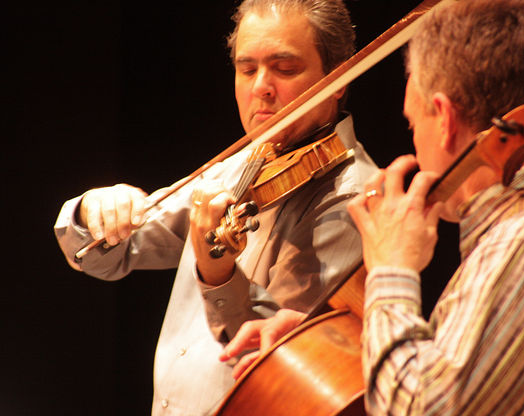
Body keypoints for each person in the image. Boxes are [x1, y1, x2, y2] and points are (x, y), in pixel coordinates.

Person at [221, 0, 524, 414]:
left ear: (445, 119)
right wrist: (338, 342)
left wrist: (391, 270)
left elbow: (419, 408)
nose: (414, 142)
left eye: (414, 124)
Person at [54, 0, 378, 414]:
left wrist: (218, 274)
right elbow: (107, 256)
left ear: (338, 78)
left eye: (285, 68)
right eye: (247, 69)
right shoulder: (239, 166)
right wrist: (96, 210)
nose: (261, 86)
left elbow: (278, 366)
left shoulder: (353, 197)